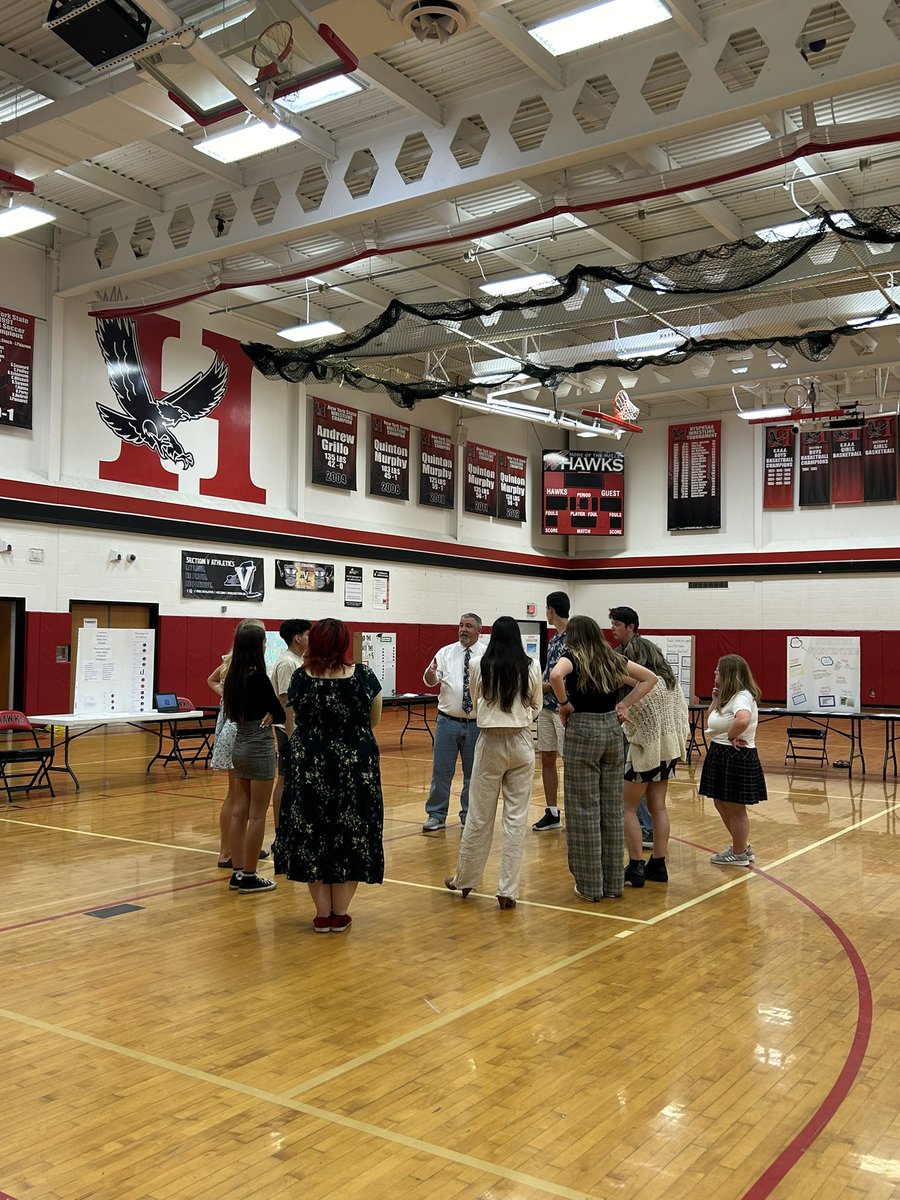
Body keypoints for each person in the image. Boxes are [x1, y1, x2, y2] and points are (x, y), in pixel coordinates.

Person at [275, 618, 384, 932]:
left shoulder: (299, 678)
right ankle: (341, 912)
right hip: (356, 764)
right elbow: (373, 719)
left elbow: (290, 722)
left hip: (309, 762)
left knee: (312, 833)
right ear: (344, 643)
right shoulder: (363, 676)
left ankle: (322, 914)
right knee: (354, 834)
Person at [550, 616, 657, 902]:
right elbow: (649, 678)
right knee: (611, 809)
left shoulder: (572, 657)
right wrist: (624, 704)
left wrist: (564, 704)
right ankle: (612, 885)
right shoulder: (610, 658)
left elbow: (555, 676)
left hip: (584, 730)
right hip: (612, 730)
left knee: (583, 809)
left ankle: (590, 886)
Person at [445, 616, 542, 909]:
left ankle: (465, 880)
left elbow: (475, 701)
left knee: (479, 814)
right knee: (515, 818)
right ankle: (508, 889)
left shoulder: (479, 665)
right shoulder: (531, 665)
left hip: (489, 740)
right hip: (522, 740)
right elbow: (535, 704)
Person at [618, 639, 690, 886]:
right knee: (658, 807)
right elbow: (682, 717)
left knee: (627, 808)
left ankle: (636, 864)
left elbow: (632, 722)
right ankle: (658, 863)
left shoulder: (645, 689)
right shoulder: (672, 684)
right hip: (668, 752)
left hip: (644, 753)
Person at [222, 621, 285, 894]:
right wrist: (273, 712)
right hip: (259, 746)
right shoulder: (258, 676)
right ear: (257, 645)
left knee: (239, 811)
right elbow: (279, 713)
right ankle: (250, 875)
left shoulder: (232, 676)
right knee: (257, 815)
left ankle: (237, 872)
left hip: (239, 743)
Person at [208, 617, 269, 870]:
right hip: (239, 731)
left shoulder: (232, 662)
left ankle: (236, 848)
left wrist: (225, 695)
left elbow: (211, 680)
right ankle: (228, 851)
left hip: (230, 727)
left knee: (236, 795)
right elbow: (213, 680)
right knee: (238, 796)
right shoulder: (239, 665)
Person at [700, 654, 767, 866]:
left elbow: (743, 719)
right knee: (720, 802)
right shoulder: (727, 696)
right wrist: (715, 700)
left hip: (734, 755)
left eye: (718, 670)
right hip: (721, 753)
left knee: (736, 808)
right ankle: (741, 846)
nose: (714, 673)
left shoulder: (742, 697)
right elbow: (711, 721)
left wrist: (730, 736)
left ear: (729, 673)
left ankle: (738, 853)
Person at [421, 613, 486, 833]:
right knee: (441, 772)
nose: (463, 630)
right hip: (447, 722)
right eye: (460, 625)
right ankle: (436, 815)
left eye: (468, 626)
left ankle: (468, 815)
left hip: (477, 724)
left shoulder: (487, 655)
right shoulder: (445, 652)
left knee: (473, 774)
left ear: (479, 630)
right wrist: (431, 674)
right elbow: (430, 681)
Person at [609, 605, 655, 850]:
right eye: (612, 623)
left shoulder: (643, 649)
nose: (612, 628)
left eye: (617, 624)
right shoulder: (618, 651)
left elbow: (650, 681)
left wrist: (617, 674)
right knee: (628, 778)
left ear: (631, 627)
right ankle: (636, 825)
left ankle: (648, 829)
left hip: (644, 723)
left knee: (641, 777)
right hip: (626, 721)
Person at [269, 618, 311, 842]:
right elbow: (286, 703)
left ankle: (292, 829)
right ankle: (280, 834)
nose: (309, 638)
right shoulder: (287, 664)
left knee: (295, 781)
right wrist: (292, 736)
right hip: (290, 732)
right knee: (285, 779)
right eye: (307, 634)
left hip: (298, 731)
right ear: (297, 638)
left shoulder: (298, 661)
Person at [532, 591, 569, 832]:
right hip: (546, 707)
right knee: (546, 757)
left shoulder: (574, 638)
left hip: (564, 709)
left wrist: (540, 685)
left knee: (570, 761)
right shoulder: (554, 639)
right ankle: (552, 811)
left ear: (551, 610)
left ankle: (575, 811)